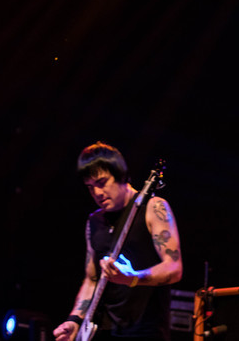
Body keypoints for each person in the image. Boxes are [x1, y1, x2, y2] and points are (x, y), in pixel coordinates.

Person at [53, 141, 182, 341]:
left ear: (121, 176)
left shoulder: (153, 208)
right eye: (90, 188)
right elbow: (91, 279)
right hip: (103, 330)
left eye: (102, 183)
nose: (97, 193)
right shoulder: (94, 221)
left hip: (145, 331)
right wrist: (75, 320)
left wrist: (133, 278)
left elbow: (174, 268)